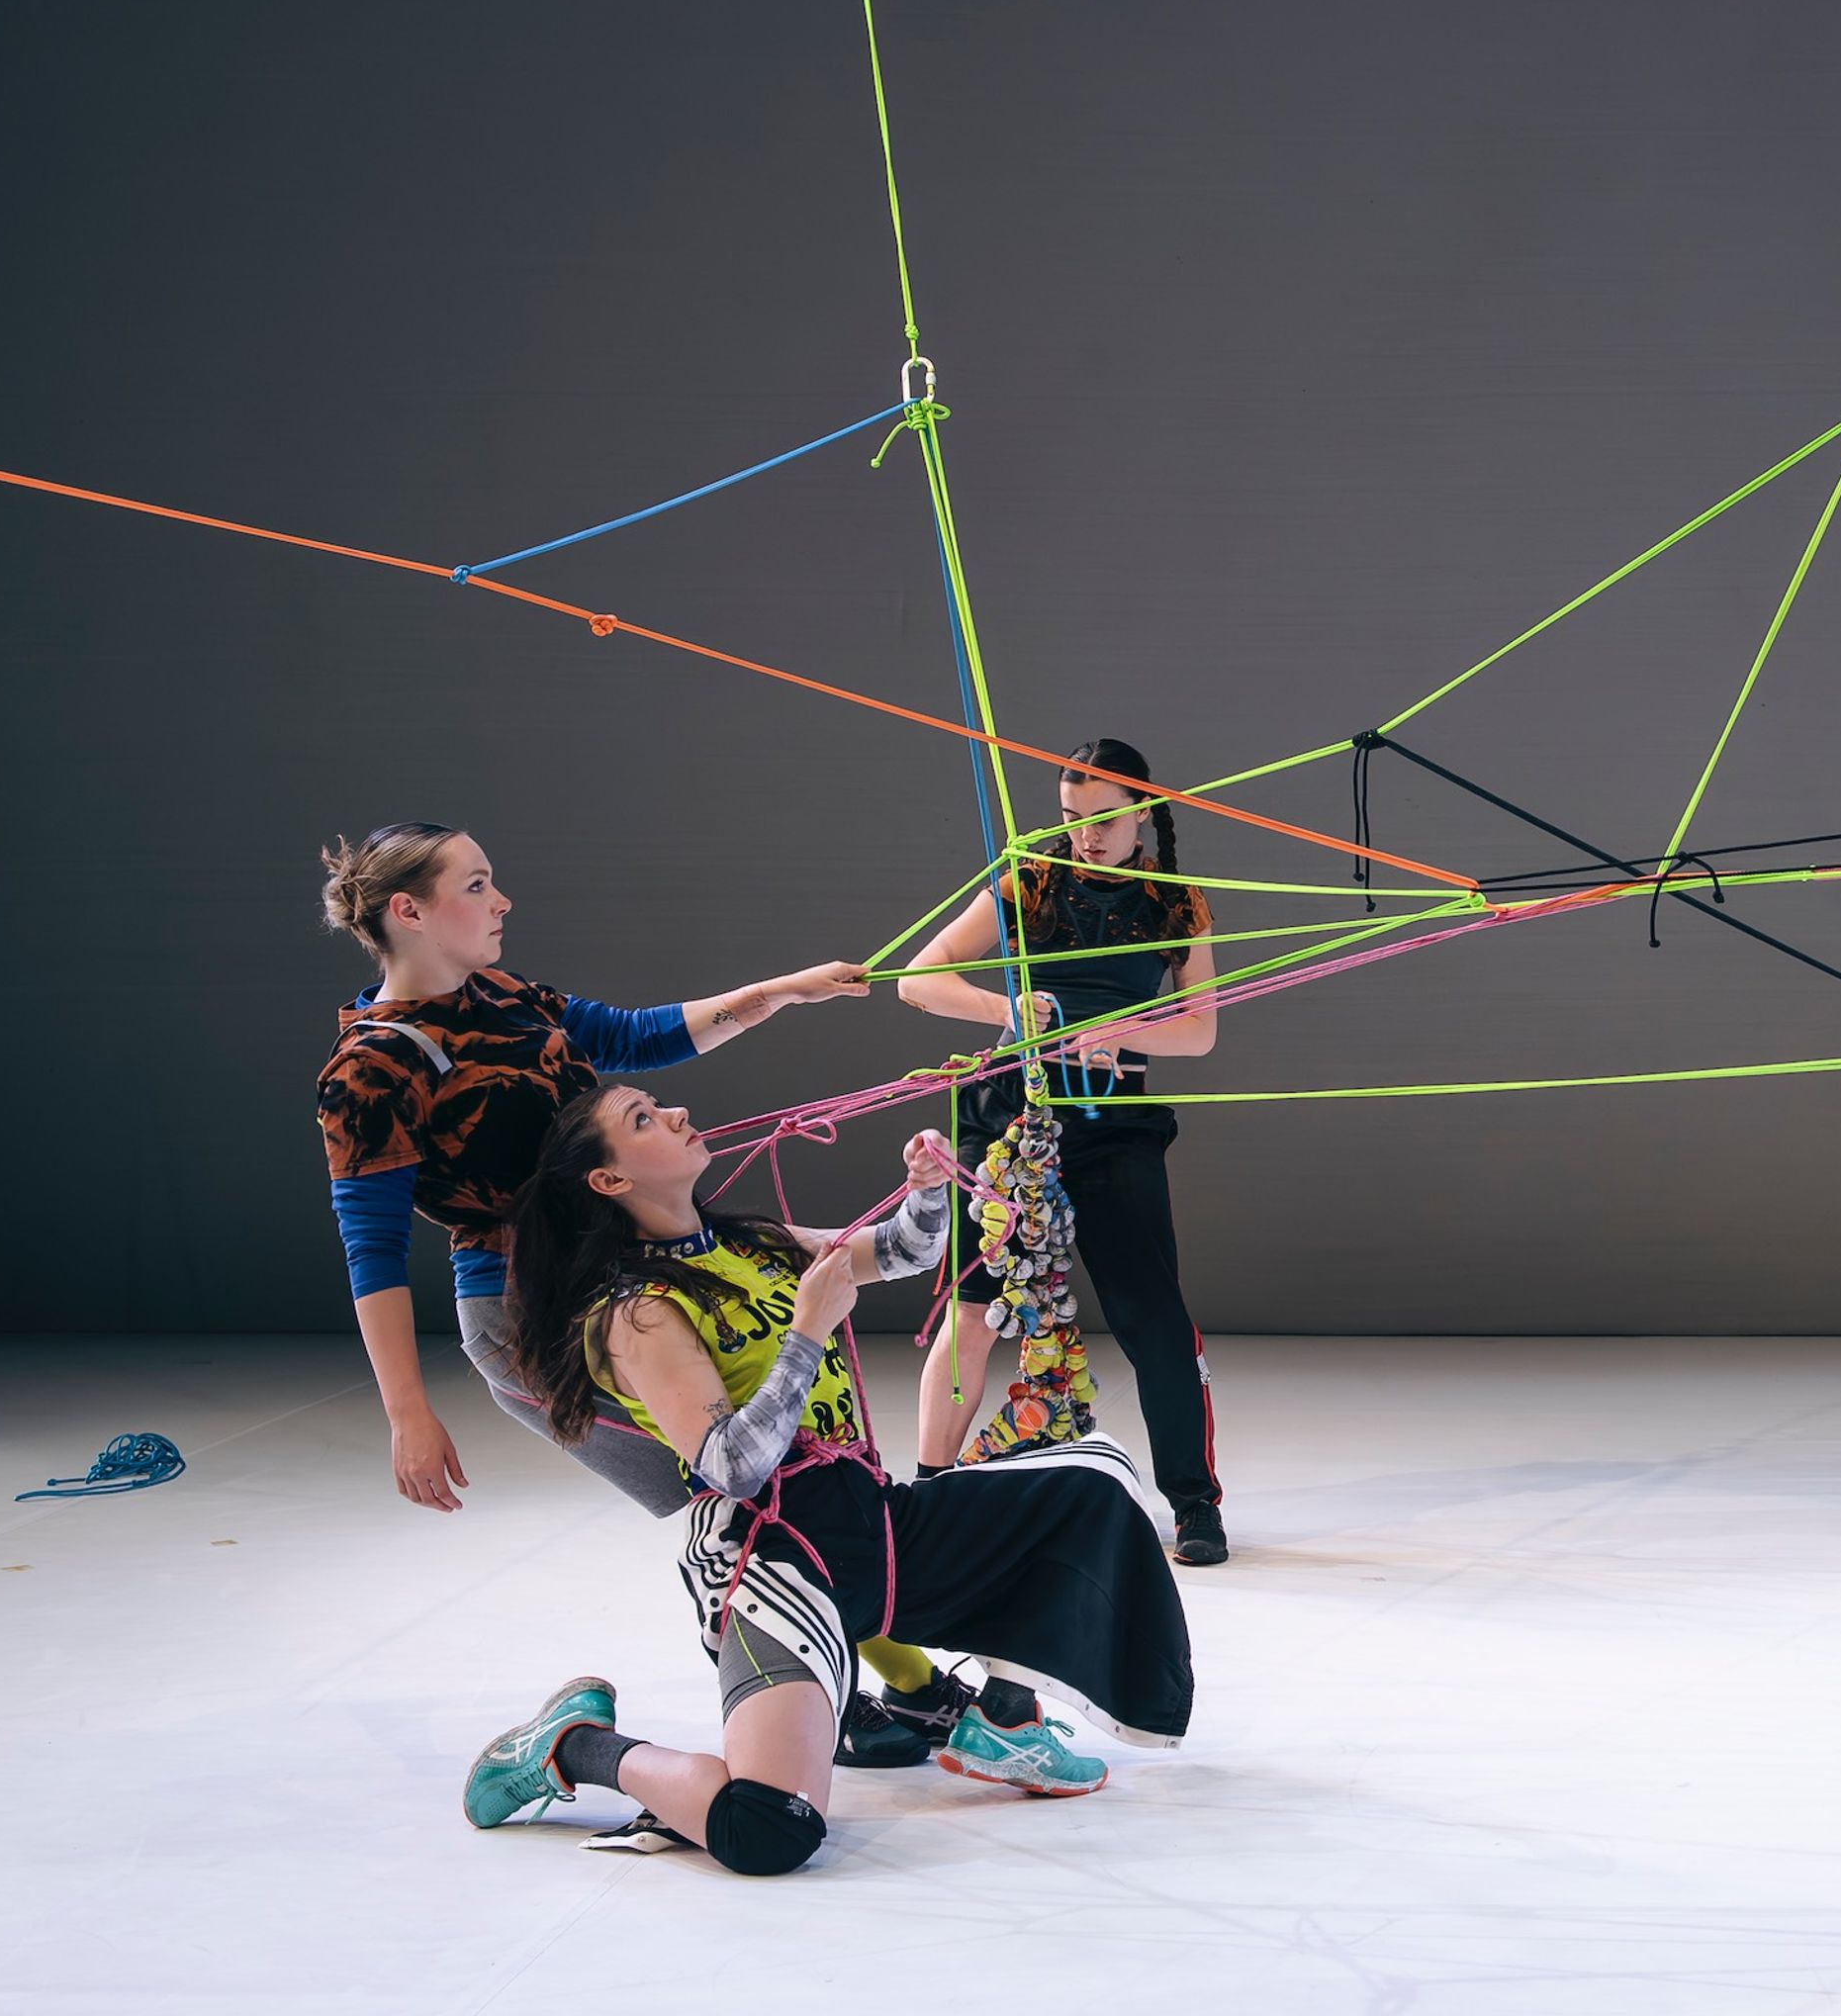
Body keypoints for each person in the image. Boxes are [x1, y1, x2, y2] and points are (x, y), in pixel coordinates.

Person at [314, 822, 965, 1768]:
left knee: (775, 1493)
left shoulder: (502, 994)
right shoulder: (370, 1069)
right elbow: (369, 1251)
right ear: (408, 912)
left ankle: (884, 1693)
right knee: (747, 1499)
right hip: (540, 1324)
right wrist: (408, 1415)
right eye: (479, 885)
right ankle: (864, 1698)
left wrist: (778, 992)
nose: (502, 903)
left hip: (642, 1285)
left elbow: (633, 1034)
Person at [460, 1087, 1197, 1876]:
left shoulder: (755, 1241)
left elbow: (903, 1251)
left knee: (1095, 1478)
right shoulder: (636, 1312)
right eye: (644, 1120)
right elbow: (732, 1468)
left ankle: (1004, 1722)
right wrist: (807, 1329)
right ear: (607, 1181)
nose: (676, 1114)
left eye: (663, 1104)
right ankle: (573, 1747)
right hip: (772, 1561)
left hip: (870, 1522)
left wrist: (923, 1190)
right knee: (770, 1829)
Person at [897, 740, 1230, 1566]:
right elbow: (918, 976)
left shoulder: (1175, 900)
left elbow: (1199, 1029)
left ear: (1145, 809)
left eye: (1106, 818)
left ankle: (1193, 1504)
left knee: (1153, 1316)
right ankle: (928, 1491)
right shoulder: (1029, 878)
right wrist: (1010, 1010)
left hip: (1114, 1123)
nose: (1087, 835)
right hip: (1007, 1119)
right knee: (972, 1310)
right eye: (1074, 818)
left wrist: (1118, 1028)